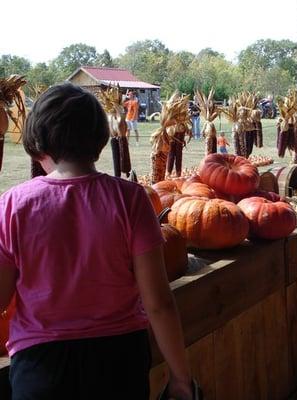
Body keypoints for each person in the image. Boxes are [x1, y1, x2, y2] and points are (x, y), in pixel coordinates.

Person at [0, 83, 193, 399]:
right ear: (101, 141)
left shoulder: (12, 205)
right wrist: (181, 377)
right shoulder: (131, 199)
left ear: (38, 143)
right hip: (118, 360)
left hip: (41, 365)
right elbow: (158, 303)